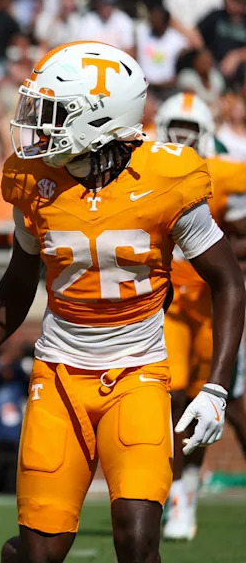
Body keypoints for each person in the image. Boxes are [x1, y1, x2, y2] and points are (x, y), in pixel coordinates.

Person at [0, 41, 244, 562]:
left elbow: (228, 281)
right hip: (58, 375)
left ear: (100, 118)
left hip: (138, 374)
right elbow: (19, 282)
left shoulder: (165, 177)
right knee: (40, 553)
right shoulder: (33, 181)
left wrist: (216, 386)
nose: (38, 127)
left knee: (136, 541)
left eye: (54, 113)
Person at [154, 92, 246, 540]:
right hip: (170, 304)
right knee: (171, 402)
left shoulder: (223, 174)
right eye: (178, 131)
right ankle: (180, 499)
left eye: (191, 133)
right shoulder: (149, 166)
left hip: (213, 303)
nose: (183, 140)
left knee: (226, 400)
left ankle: (186, 490)